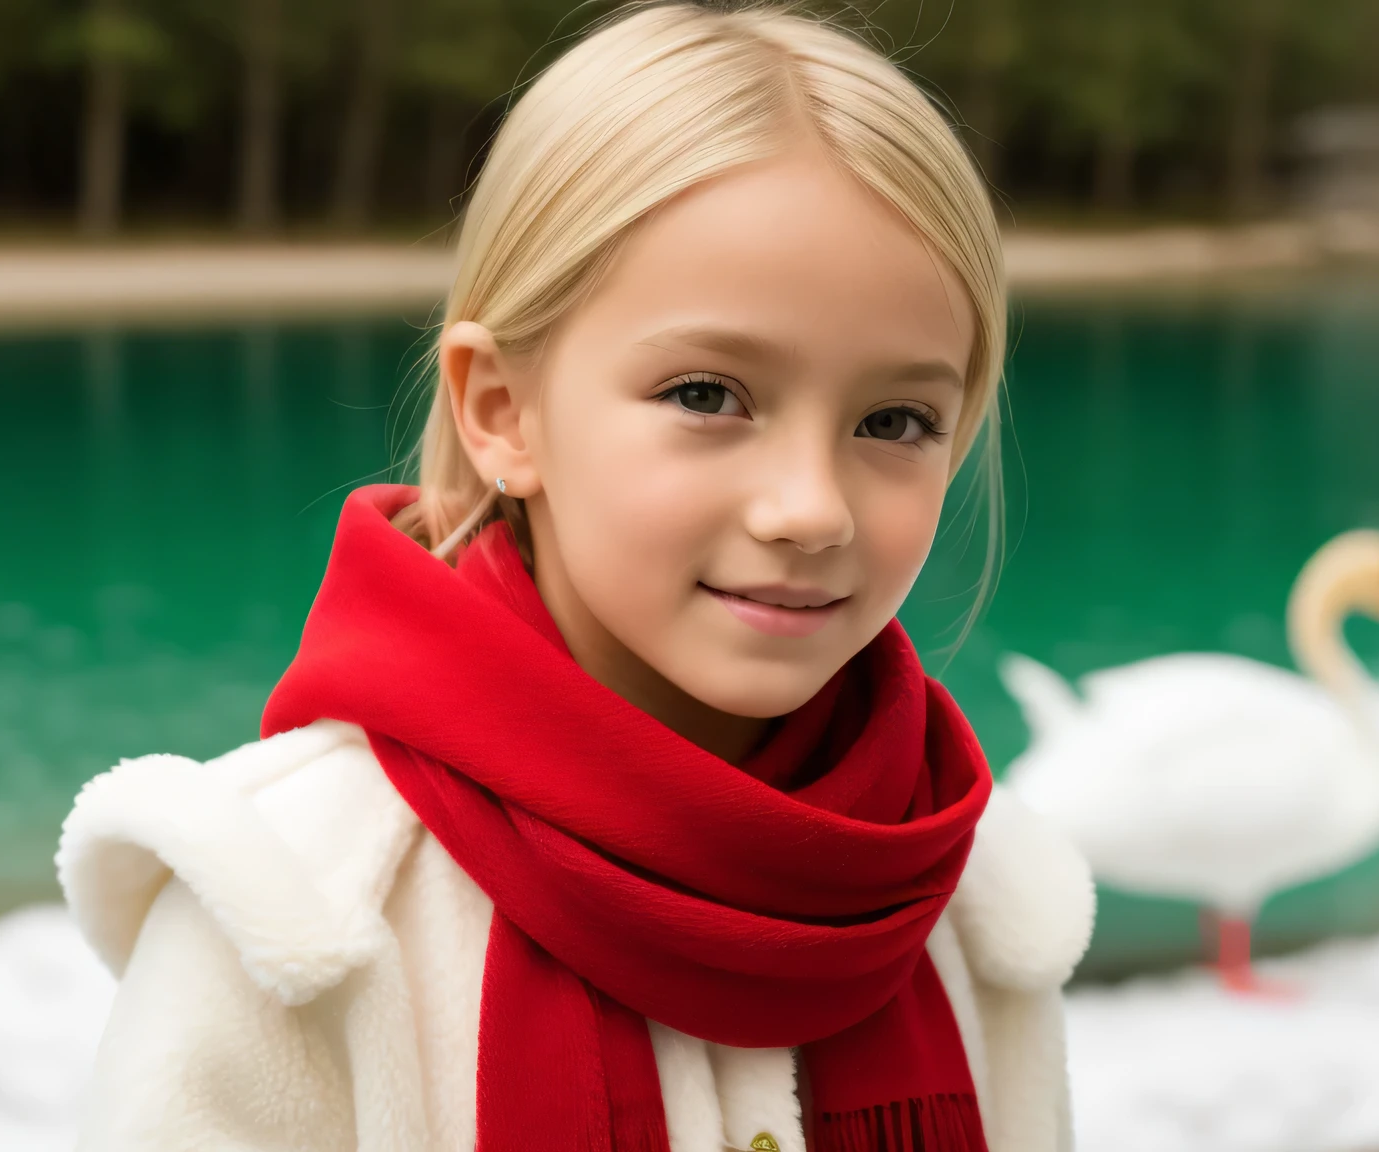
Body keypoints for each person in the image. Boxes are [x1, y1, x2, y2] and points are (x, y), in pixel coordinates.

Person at [53, 4, 1096, 1149]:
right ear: (503, 410)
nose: (808, 508)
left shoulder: (977, 894)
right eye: (707, 395)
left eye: (894, 420)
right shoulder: (291, 914)